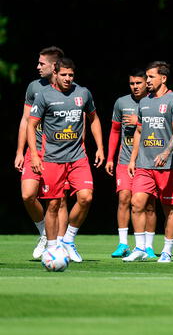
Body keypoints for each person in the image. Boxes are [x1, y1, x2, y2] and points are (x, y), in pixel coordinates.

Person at [27, 57, 104, 263]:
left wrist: (100, 148)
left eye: (71, 75)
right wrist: (34, 154)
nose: (68, 79)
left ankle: (68, 240)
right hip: (52, 158)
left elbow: (94, 119)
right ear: (55, 74)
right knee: (53, 205)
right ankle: (52, 248)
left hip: (78, 157)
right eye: (64, 75)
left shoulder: (83, 93)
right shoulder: (43, 96)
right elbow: (30, 125)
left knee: (86, 197)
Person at [124, 61, 173, 263]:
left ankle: (167, 251)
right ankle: (140, 247)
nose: (147, 81)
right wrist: (133, 160)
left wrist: (167, 152)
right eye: (147, 77)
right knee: (136, 203)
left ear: (163, 78)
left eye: (151, 77)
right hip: (144, 164)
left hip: (168, 165)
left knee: (169, 209)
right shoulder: (144, 102)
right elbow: (139, 131)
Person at [15, 46, 72, 259]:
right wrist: (20, 151)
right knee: (28, 194)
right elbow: (26, 120)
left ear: (54, 66)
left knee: (60, 200)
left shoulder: (70, 88)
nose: (38, 67)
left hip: (59, 151)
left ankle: (60, 244)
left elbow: (80, 119)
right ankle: (45, 234)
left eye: (42, 63)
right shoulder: (33, 87)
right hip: (34, 150)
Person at [105, 69, 157, 258]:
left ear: (146, 83)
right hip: (125, 160)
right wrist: (110, 157)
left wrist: (139, 121)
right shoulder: (122, 103)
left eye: (139, 83)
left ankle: (148, 247)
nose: (135, 87)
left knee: (148, 204)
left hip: (147, 161)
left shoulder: (155, 101)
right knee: (124, 198)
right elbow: (114, 131)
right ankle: (123, 244)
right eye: (132, 83)